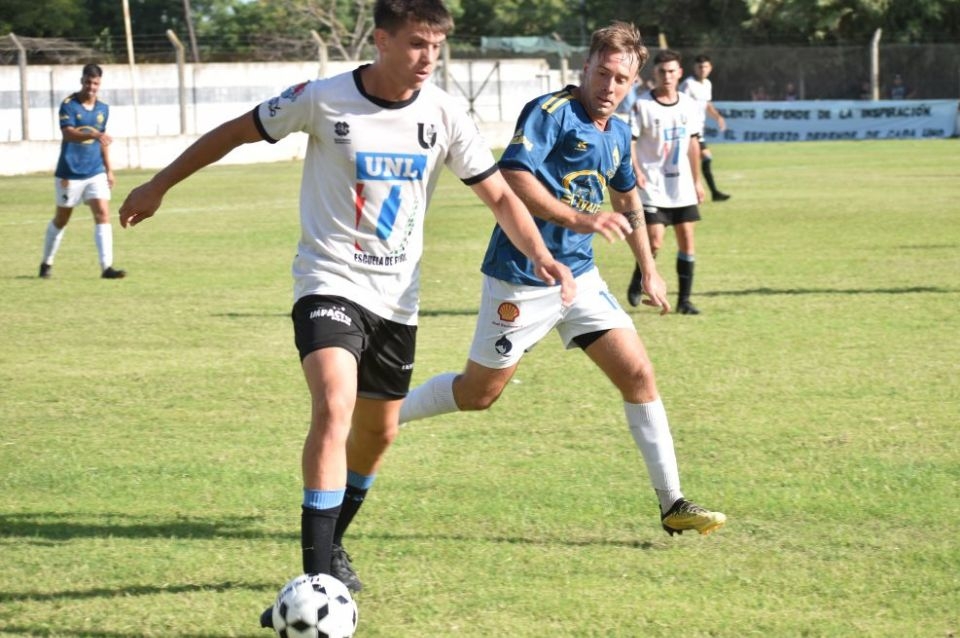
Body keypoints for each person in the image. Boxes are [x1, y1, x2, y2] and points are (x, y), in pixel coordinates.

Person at [116, 0, 574, 626]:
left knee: (377, 433)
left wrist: (542, 255)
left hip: (398, 300)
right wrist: (159, 185)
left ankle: (331, 545)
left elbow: (497, 194)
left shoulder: (445, 114)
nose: (428, 58)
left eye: (436, 47)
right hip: (328, 280)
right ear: (381, 40)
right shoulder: (322, 98)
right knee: (334, 404)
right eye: (416, 44)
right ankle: (317, 578)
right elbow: (234, 132)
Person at [398, 22, 726, 544]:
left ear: (634, 82)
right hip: (522, 277)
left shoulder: (617, 131)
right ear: (586, 67)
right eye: (603, 73)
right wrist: (579, 219)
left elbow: (627, 198)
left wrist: (648, 267)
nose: (610, 87)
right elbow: (514, 176)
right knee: (479, 393)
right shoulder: (551, 112)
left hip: (581, 278)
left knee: (639, 375)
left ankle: (673, 504)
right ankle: (385, 415)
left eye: (621, 79)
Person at [627, 49, 706, 316]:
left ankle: (684, 301)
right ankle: (639, 277)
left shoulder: (688, 105)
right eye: (662, 71)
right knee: (655, 241)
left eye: (672, 71)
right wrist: (636, 170)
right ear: (655, 73)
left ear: (680, 73)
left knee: (687, 241)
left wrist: (697, 182)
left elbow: (693, 144)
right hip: (652, 185)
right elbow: (631, 142)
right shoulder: (642, 105)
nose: (667, 76)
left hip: (681, 186)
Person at [39, 63, 125, 279]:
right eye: (88, 82)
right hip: (70, 173)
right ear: (82, 81)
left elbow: (103, 142)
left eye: (95, 83)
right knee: (62, 218)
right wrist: (94, 134)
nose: (91, 87)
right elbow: (68, 134)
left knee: (103, 213)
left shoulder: (103, 109)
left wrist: (109, 170)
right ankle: (46, 263)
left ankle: (107, 267)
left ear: (99, 84)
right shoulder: (69, 105)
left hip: (95, 171)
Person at [678, 54, 730, 202]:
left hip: (697, 129)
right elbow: (679, 104)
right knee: (704, 157)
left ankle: (708, 192)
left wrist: (718, 117)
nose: (702, 69)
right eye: (700, 67)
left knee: (694, 160)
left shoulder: (707, 84)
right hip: (688, 129)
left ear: (710, 68)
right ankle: (710, 192)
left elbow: (707, 104)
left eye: (705, 66)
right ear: (694, 68)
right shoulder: (688, 84)